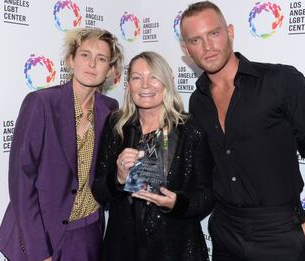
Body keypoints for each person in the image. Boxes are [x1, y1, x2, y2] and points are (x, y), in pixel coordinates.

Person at [180, 1, 305, 261]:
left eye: (214, 33)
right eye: (196, 40)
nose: (207, 47)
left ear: (230, 32)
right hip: (225, 230)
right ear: (187, 50)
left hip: (280, 230)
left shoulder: (281, 81)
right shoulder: (198, 101)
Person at [0, 28, 123, 261]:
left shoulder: (110, 109)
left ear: (110, 71)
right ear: (70, 61)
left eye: (101, 59)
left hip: (89, 231)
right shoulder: (41, 103)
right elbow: (21, 181)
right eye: (85, 55)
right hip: (41, 230)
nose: (92, 63)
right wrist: (39, 251)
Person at [92, 51, 214, 261]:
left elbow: (207, 195)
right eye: (137, 77)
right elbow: (99, 190)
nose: (145, 85)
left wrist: (176, 203)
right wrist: (119, 178)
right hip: (123, 248)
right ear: (128, 85)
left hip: (176, 249)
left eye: (154, 77)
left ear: (167, 82)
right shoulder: (117, 126)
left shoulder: (190, 129)